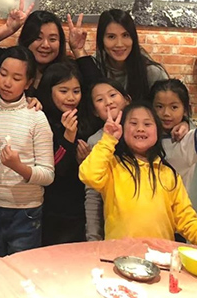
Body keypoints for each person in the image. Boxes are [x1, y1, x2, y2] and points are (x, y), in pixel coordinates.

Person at [0, 46, 54, 258]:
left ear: (28, 83)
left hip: (26, 212)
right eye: (3, 74)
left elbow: (48, 175)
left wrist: (19, 167)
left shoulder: (36, 117)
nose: (7, 83)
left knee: (21, 272)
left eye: (16, 78)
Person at [79, 101, 197, 243]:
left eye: (147, 124)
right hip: (119, 253)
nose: (140, 128)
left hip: (159, 253)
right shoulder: (113, 166)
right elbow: (89, 175)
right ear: (123, 129)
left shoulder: (169, 174)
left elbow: (186, 218)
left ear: (157, 131)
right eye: (133, 123)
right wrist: (108, 139)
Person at [36, 63, 91, 245]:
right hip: (50, 209)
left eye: (76, 91)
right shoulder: (41, 118)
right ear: (49, 90)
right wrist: (68, 137)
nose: (71, 98)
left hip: (80, 207)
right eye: (63, 91)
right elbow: (54, 170)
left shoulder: (87, 120)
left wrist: (86, 162)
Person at [66, 9, 168, 101]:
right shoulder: (93, 66)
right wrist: (78, 50)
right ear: (101, 40)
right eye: (111, 37)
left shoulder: (152, 72)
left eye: (125, 35)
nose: (119, 44)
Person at [84, 78, 131, 241]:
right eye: (100, 99)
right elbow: (93, 194)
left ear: (127, 100)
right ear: (95, 111)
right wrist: (93, 236)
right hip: (114, 227)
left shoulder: (142, 132)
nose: (108, 102)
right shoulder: (95, 141)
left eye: (113, 95)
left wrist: (185, 123)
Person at [150, 79, 197, 209]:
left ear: (186, 110)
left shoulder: (186, 140)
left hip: (179, 213)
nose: (166, 113)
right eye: (159, 107)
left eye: (174, 107)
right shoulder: (143, 137)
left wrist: (187, 123)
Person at [16, 10, 68, 92]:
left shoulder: (68, 73)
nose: (45, 45)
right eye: (38, 38)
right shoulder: (11, 64)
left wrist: (78, 50)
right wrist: (8, 29)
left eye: (52, 39)